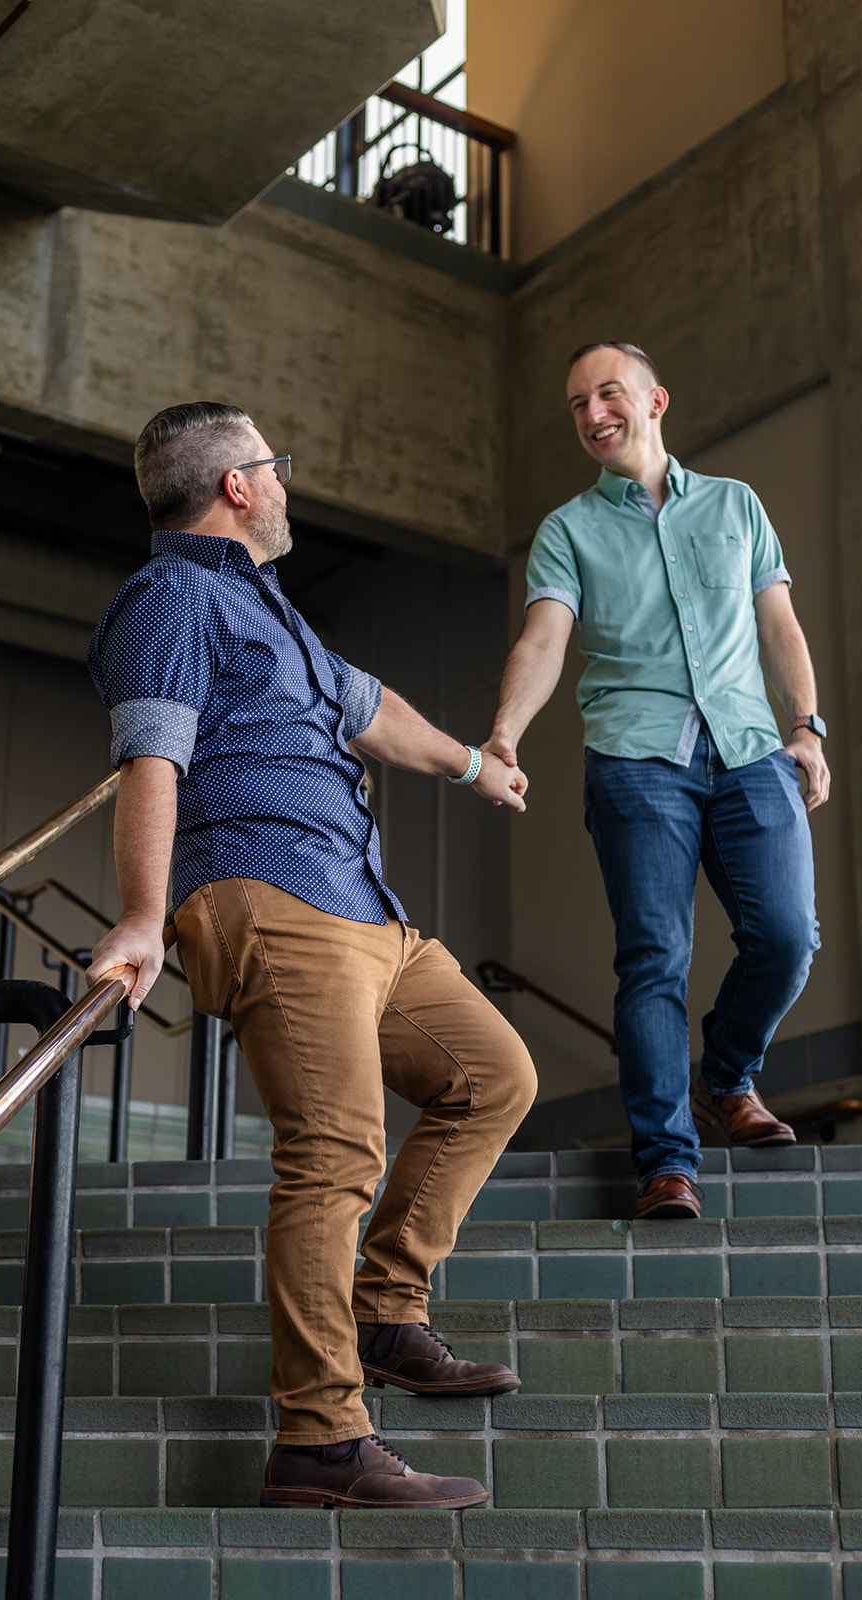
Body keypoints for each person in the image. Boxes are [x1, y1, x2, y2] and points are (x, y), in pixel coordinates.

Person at [86, 401, 538, 1509]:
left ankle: (384, 1311)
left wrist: (475, 766)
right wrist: (144, 916)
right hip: (265, 892)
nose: (286, 483)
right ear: (237, 486)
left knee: (492, 1077)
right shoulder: (172, 597)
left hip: (361, 905)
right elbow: (152, 761)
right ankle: (320, 1438)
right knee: (335, 1150)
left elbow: (369, 709)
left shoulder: (266, 610)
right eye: (274, 467)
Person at [485, 342, 828, 1221]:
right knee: (653, 961)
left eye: (608, 394)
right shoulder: (569, 530)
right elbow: (544, 640)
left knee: (787, 934)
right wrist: (503, 737)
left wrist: (807, 728)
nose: (593, 414)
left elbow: (778, 623)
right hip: (638, 762)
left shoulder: (734, 506)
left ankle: (725, 1078)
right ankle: (667, 1163)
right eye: (576, 405)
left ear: (654, 400)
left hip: (751, 750)